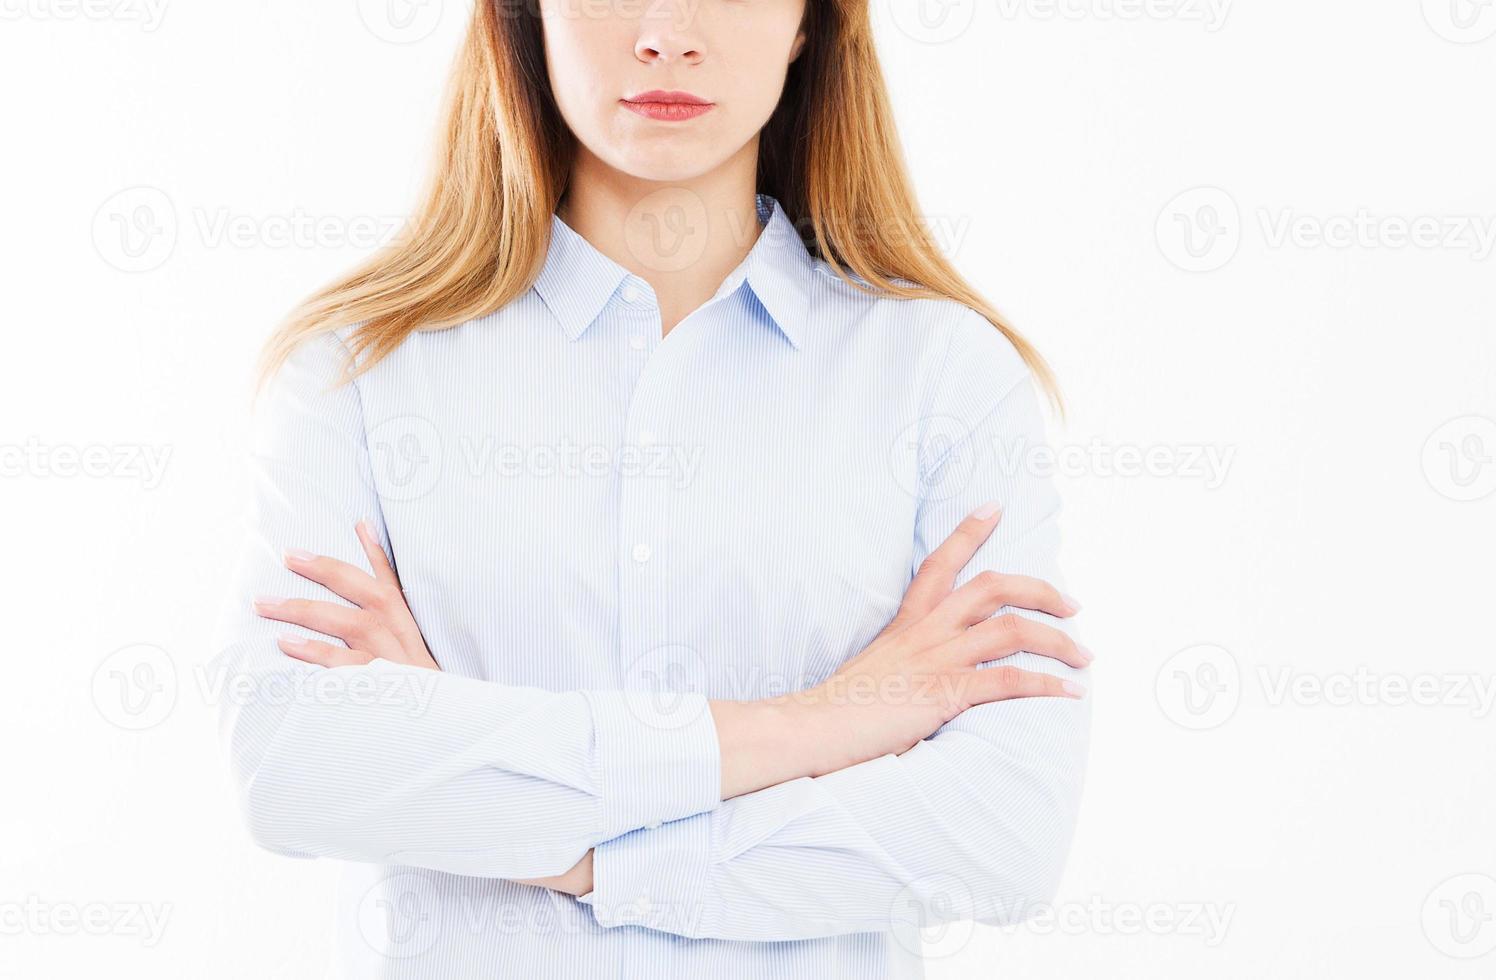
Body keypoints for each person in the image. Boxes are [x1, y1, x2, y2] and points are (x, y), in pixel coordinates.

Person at [211, 2, 1092, 976]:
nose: (667, 31)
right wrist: (825, 720)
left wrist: (557, 837)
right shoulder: (359, 370)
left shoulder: (945, 378)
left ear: (809, 21)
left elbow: (1000, 833)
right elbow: (296, 765)